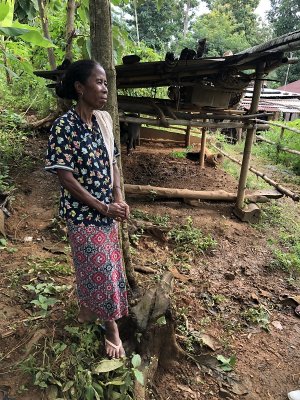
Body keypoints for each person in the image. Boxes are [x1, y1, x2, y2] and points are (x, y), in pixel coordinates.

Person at [45, 59, 129, 358]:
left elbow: (113, 162)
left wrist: (117, 198)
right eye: (99, 82)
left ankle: (86, 311)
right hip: (83, 215)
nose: (105, 88)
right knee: (101, 270)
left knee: (98, 266)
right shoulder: (64, 127)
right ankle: (112, 329)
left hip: (108, 210)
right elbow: (65, 178)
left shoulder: (103, 122)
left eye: (106, 82)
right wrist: (102, 207)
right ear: (80, 88)